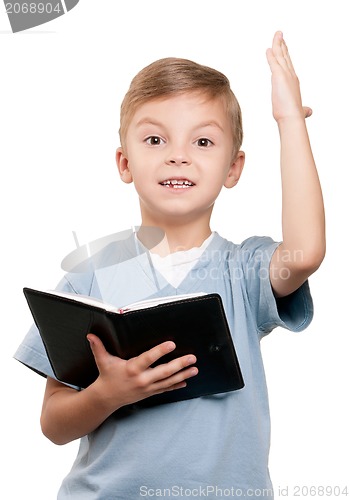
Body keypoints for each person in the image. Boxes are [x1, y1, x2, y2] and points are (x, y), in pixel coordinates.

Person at [15, 32, 325, 499]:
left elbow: (307, 252)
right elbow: (53, 425)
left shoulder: (244, 272)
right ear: (125, 162)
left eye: (202, 140)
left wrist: (288, 121)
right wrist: (108, 394)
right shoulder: (89, 277)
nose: (178, 154)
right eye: (156, 138)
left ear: (234, 168)